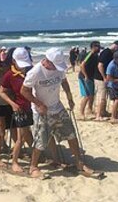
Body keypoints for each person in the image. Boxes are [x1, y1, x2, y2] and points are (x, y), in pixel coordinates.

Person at [20, 47, 94, 179]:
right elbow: (24, 91)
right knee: (40, 141)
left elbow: (64, 82)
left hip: (57, 107)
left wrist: (70, 97)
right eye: (55, 65)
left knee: (71, 134)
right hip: (41, 111)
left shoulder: (59, 70)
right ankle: (33, 167)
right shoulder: (35, 72)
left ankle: (79, 162)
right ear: (47, 61)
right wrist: (39, 104)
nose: (57, 69)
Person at [0, 47, 34, 173]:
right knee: (21, 137)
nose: (23, 67)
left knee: (29, 133)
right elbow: (1, 92)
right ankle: (14, 162)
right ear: (13, 61)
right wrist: (12, 104)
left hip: (33, 107)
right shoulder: (9, 75)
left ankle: (37, 154)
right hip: (20, 108)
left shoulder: (31, 71)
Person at [94, 40, 118, 120]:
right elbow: (100, 65)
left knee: (105, 96)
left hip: (104, 77)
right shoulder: (106, 52)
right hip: (100, 78)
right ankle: (98, 115)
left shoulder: (109, 52)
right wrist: (104, 77)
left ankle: (103, 111)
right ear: (116, 46)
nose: (117, 51)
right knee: (102, 97)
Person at [78, 41, 101, 119]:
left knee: (91, 95)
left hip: (91, 77)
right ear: (94, 47)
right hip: (84, 77)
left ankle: (89, 110)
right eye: (98, 46)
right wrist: (86, 76)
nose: (99, 48)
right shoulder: (89, 54)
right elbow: (82, 65)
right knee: (87, 96)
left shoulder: (96, 55)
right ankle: (81, 113)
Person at [106, 51, 118, 122]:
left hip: (117, 85)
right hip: (112, 85)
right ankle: (113, 117)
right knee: (117, 100)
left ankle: (115, 114)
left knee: (115, 100)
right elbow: (108, 78)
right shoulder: (111, 65)